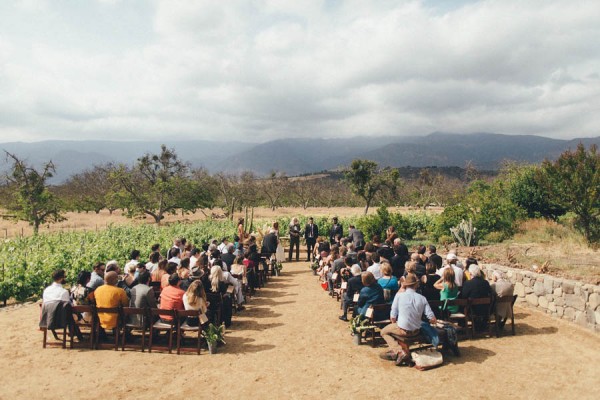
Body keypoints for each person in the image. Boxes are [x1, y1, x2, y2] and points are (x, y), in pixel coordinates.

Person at [379, 273, 437, 364]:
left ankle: (398, 351)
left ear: (405, 285)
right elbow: (432, 318)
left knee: (383, 332)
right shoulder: (422, 298)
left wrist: (395, 321)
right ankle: (399, 351)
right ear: (416, 285)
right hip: (416, 330)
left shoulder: (399, 296)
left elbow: (393, 316)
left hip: (403, 329)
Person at [94, 271, 129, 336]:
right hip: (116, 321)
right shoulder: (120, 291)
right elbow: (126, 305)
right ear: (115, 280)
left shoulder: (97, 290)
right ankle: (123, 336)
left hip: (100, 319)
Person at [461, 264, 492, 332]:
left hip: (472, 310)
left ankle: (462, 327)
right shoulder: (485, 283)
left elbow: (463, 296)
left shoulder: (468, 283)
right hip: (485, 309)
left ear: (471, 273)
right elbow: (490, 293)